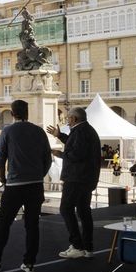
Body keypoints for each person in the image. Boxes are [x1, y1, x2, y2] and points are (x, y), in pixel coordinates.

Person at [0, 100, 51, 272]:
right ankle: (29, 264)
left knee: (4, 223)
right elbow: (47, 159)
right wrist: (38, 176)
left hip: (15, 185)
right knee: (32, 225)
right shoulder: (39, 131)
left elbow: (0, 160)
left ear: (13, 113)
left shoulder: (8, 131)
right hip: (36, 185)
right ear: (27, 112)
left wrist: (3, 179)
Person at [46, 107, 102, 260]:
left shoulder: (80, 132)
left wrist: (60, 154)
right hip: (85, 178)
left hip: (76, 178)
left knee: (66, 209)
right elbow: (76, 145)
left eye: (68, 118)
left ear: (74, 119)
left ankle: (77, 245)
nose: (66, 120)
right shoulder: (85, 130)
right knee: (84, 211)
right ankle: (88, 247)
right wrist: (60, 136)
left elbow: (76, 154)